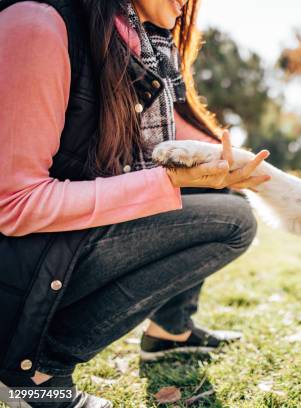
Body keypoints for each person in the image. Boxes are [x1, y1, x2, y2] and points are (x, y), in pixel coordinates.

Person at [0, 1, 270, 406]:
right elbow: (14, 204)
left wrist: (241, 169)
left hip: (54, 247)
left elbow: (191, 141)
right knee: (232, 221)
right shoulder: (38, 24)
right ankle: (32, 373)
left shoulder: (140, 49)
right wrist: (165, 182)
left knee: (219, 192)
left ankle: (170, 331)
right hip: (19, 258)